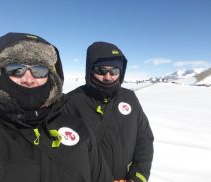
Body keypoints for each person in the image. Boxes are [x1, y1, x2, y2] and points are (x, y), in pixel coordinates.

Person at [0, 33, 113, 182]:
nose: (29, 79)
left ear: (52, 79)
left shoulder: (80, 132)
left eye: (40, 70)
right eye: (16, 69)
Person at [64, 41, 154, 182]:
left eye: (114, 71)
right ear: (90, 69)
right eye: (101, 70)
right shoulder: (71, 102)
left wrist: (138, 177)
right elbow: (63, 155)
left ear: (121, 72)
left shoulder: (129, 98)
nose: (107, 77)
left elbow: (144, 140)